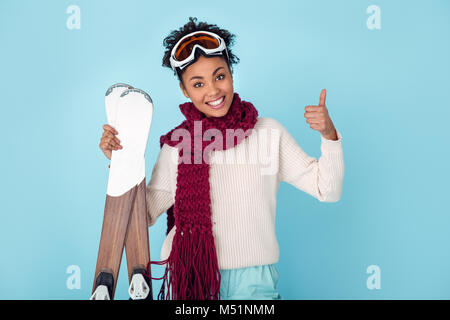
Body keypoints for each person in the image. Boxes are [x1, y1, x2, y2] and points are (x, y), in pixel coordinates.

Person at [99, 17, 344, 300]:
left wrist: (329, 135)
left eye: (219, 76)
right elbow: (142, 217)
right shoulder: (178, 145)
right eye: (198, 83)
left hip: (253, 280)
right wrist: (121, 162)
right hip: (190, 276)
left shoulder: (267, 134)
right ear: (184, 90)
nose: (213, 91)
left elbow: (327, 189)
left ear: (231, 73)